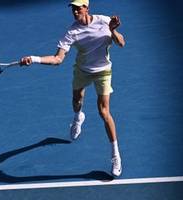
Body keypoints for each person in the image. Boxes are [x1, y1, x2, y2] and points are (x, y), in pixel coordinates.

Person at [20, 0, 125, 177]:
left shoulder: (104, 21)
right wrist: (34, 58)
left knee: (104, 112)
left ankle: (116, 155)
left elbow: (121, 43)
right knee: (77, 102)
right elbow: (57, 59)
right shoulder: (71, 32)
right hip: (82, 71)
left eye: (78, 8)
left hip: (103, 72)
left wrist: (113, 30)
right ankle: (78, 117)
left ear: (87, 8)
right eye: (73, 9)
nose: (75, 11)